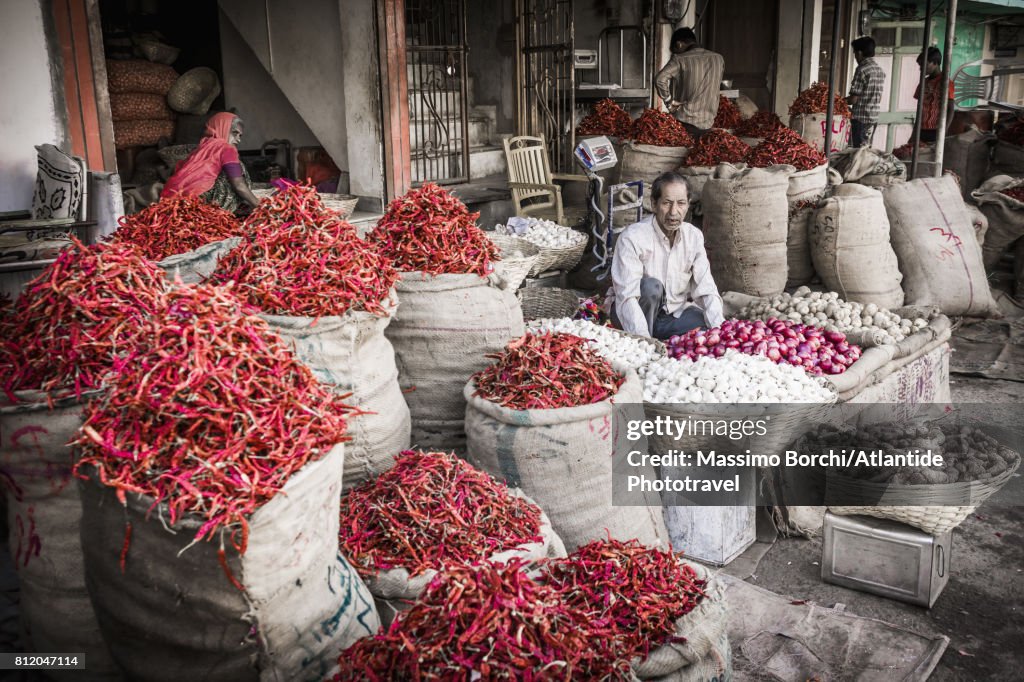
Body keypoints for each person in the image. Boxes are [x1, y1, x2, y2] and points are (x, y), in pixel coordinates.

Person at [607, 172, 724, 340]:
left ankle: (658, 334)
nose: (674, 212)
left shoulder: (693, 236)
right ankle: (643, 339)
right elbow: (627, 297)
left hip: (669, 317)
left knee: (706, 321)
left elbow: (706, 288)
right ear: (654, 204)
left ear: (688, 204)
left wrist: (721, 330)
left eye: (681, 203)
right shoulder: (632, 237)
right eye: (667, 203)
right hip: (631, 313)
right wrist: (644, 342)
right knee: (651, 287)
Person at [161, 112, 260, 212]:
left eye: (240, 136)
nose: (238, 140)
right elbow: (239, 185)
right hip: (205, 203)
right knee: (239, 171)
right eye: (235, 133)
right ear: (223, 128)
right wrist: (259, 205)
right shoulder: (227, 148)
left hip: (180, 200)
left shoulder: (203, 147)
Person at [654, 28, 725, 138]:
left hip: (685, 123)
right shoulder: (718, 59)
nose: (674, 54)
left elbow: (660, 79)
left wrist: (669, 102)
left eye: (674, 50)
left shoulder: (680, 59)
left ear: (679, 44)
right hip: (708, 123)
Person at [847, 36, 885, 148]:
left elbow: (854, 99)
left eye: (854, 53)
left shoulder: (862, 69)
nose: (855, 57)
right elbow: (878, 96)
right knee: (866, 150)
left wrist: (837, 102)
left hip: (860, 119)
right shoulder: (879, 70)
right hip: (873, 118)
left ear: (859, 53)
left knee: (857, 152)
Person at [913, 47, 955, 144]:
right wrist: (914, 133)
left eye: (925, 65)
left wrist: (943, 132)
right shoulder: (923, 83)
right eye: (920, 65)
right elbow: (919, 110)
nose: (921, 68)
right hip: (921, 129)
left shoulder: (946, 83)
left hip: (936, 130)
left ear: (935, 63)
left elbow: (950, 110)